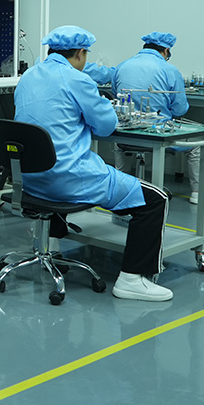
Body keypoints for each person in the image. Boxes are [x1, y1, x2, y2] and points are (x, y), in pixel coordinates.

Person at [14, 25, 173, 301]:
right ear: (79, 53)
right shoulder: (76, 79)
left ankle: (52, 246)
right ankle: (132, 279)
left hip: (30, 179)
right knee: (156, 199)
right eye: (86, 54)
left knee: (58, 169)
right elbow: (105, 125)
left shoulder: (28, 76)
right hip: (67, 179)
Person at [112, 32, 204, 205]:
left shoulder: (122, 66)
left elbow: (118, 96)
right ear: (166, 50)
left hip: (126, 135)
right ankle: (198, 192)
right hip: (157, 135)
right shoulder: (169, 70)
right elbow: (180, 108)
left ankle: (119, 189)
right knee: (197, 144)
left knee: (118, 143)